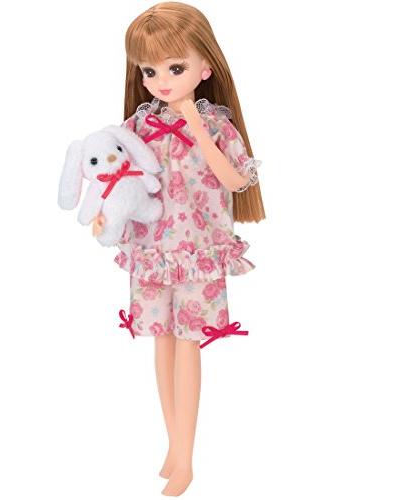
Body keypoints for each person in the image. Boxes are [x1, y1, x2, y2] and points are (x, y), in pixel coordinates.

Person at [92, 2, 265, 495]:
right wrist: (106, 213)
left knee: (189, 345)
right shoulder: (137, 127)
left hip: (198, 249)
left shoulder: (217, 125)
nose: (160, 81)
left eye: (174, 68)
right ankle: (173, 445)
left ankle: (186, 457)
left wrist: (193, 120)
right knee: (162, 342)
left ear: (205, 67)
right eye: (149, 71)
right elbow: (120, 180)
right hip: (151, 250)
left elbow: (235, 179)